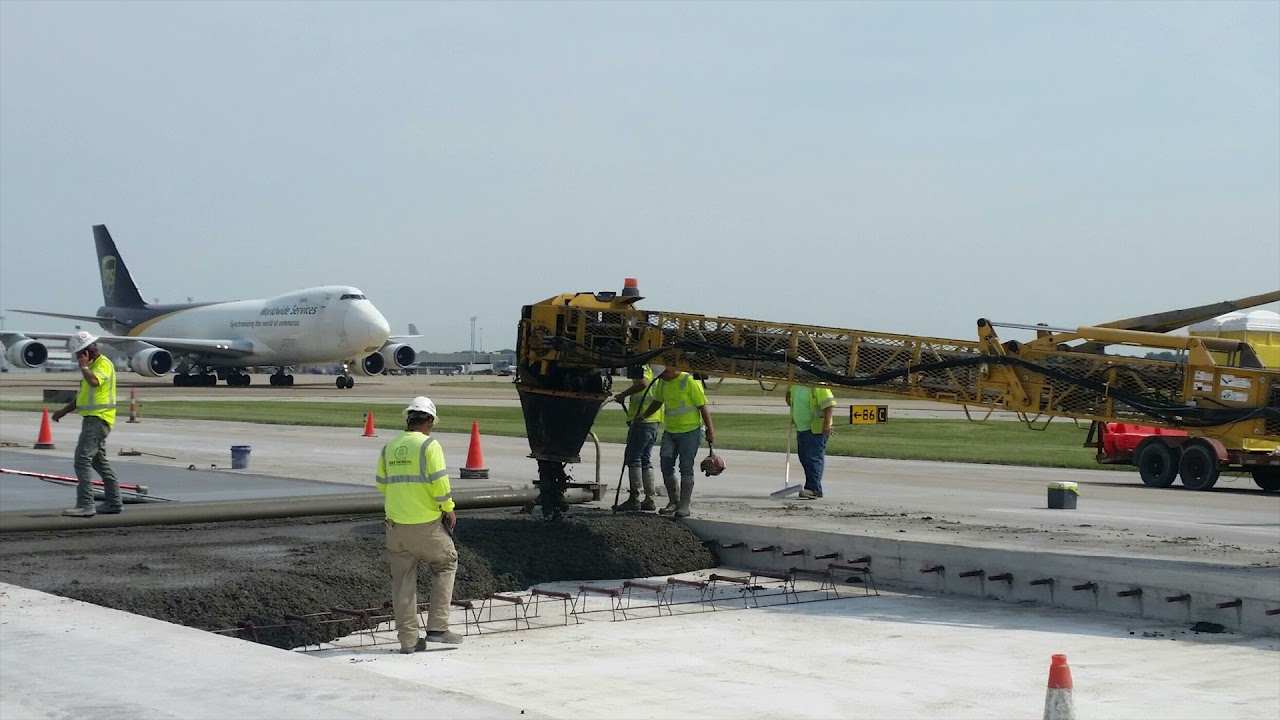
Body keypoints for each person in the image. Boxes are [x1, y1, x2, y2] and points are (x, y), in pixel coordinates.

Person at [376, 396, 462, 652]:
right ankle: (437, 627)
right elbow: (439, 483)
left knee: (402, 582)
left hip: (395, 527)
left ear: (409, 419)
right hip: (426, 525)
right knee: (446, 562)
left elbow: (382, 484)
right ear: (429, 421)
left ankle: (409, 641)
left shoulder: (389, 446)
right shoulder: (429, 446)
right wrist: (449, 508)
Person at [51, 331, 122, 517]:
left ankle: (85, 504)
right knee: (99, 462)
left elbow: (94, 382)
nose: (77, 359)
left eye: (78, 356)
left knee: (82, 459)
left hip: (98, 419)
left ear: (86, 353)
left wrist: (83, 367)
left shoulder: (103, 365)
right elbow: (82, 397)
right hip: (93, 419)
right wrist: (63, 411)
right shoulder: (92, 366)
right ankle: (114, 502)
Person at [638, 366, 715, 518]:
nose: (660, 378)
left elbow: (703, 407)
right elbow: (658, 402)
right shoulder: (663, 382)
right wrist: (644, 415)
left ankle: (684, 505)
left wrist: (710, 431)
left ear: (670, 370)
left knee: (686, 466)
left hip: (690, 431)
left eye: (662, 375)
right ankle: (674, 501)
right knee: (666, 465)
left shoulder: (689, 381)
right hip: (671, 431)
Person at [611, 364, 663, 512]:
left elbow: (643, 383)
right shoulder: (657, 368)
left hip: (642, 421)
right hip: (652, 420)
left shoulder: (644, 366)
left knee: (634, 458)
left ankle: (635, 498)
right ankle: (649, 498)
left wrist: (623, 394)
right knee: (645, 459)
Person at [786, 384, 837, 499]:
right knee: (804, 458)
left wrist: (827, 424)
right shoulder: (795, 385)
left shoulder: (819, 386)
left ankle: (814, 489)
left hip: (816, 429)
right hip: (802, 428)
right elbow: (790, 401)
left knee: (813, 458)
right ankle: (812, 487)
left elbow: (828, 405)